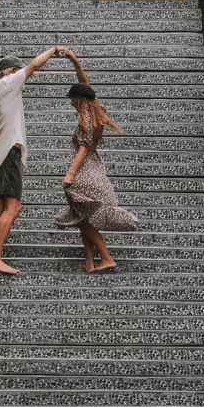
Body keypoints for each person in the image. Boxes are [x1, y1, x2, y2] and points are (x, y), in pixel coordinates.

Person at [55, 51, 138, 272]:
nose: (72, 104)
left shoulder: (88, 118)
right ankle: (90, 262)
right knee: (84, 218)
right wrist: (74, 60)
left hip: (85, 171)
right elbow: (85, 84)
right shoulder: (95, 109)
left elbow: (83, 149)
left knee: (83, 218)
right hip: (94, 169)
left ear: (80, 100)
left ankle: (106, 257)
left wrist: (70, 173)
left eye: (73, 100)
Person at [0, 46, 63, 274]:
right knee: (13, 207)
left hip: (3, 155)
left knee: (1, 209)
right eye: (17, 71)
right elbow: (34, 66)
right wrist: (53, 50)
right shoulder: (8, 85)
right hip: (10, 153)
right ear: (10, 72)